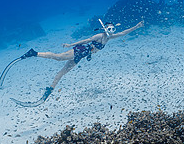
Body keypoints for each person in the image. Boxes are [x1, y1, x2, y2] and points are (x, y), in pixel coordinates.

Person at [9, 20, 144, 106]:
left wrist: (137, 26)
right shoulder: (99, 36)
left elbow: (124, 32)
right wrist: (70, 44)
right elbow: (85, 41)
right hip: (80, 50)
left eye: (113, 29)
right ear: (105, 29)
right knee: (59, 57)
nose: (111, 32)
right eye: (109, 29)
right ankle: (34, 53)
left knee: (62, 73)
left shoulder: (109, 38)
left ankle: (48, 91)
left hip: (83, 55)